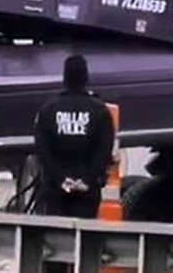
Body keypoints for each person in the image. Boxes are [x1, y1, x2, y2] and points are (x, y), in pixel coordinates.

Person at [32, 54, 115, 218]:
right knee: (85, 237)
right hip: (88, 190)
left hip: (55, 188)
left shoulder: (48, 109)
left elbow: (42, 150)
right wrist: (87, 180)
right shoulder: (99, 110)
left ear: (64, 77)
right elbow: (105, 149)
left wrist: (60, 179)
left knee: (56, 238)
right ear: (86, 77)